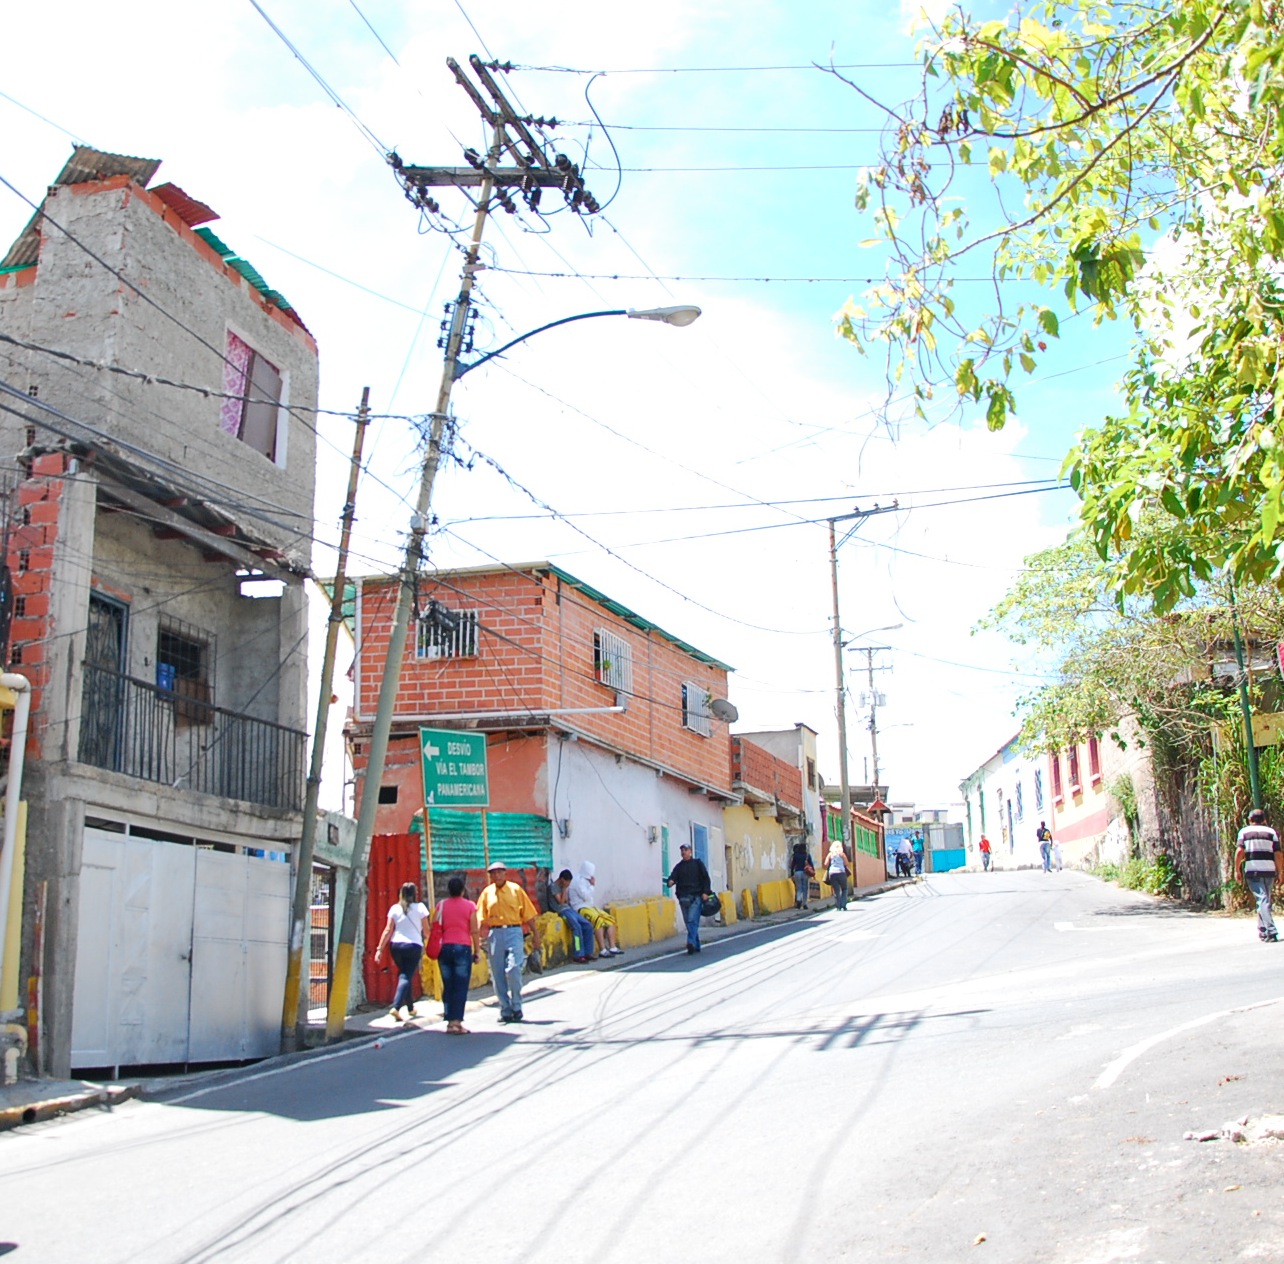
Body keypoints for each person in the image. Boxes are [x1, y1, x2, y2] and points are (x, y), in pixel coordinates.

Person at [475, 862, 542, 1023]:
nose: (496, 876)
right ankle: (505, 1009)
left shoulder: (515, 890)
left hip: (514, 931)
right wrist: (476, 939)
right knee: (497, 973)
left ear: (505, 873)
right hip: (495, 933)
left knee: (513, 968)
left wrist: (536, 935)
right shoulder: (487, 893)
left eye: (499, 872)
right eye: (493, 873)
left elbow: (528, 914)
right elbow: (479, 917)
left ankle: (517, 1005)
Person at [431, 876, 481, 1034]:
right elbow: (474, 930)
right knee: (460, 986)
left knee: (449, 985)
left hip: (444, 949)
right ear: (463, 890)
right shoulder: (470, 906)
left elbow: (435, 925)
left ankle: (449, 1020)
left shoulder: (441, 905)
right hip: (462, 948)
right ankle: (456, 1022)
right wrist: (477, 951)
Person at [374, 881, 428, 1021]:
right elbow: (427, 931)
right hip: (413, 946)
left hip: (396, 946)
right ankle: (396, 1006)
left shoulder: (394, 909)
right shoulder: (420, 908)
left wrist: (379, 949)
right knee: (406, 975)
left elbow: (388, 930)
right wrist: (429, 944)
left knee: (405, 973)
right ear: (415, 894)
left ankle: (410, 1008)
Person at [1235, 807, 1283, 943]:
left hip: (1253, 870)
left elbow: (1240, 852)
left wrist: (1237, 869)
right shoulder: (1271, 832)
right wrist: (1280, 872)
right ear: (1264, 820)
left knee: (1262, 899)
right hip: (1269, 870)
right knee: (1265, 899)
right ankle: (1263, 931)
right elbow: (1278, 854)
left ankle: (1271, 931)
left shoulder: (1244, 832)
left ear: (1250, 820)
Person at [665, 841, 713, 954]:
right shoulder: (679, 867)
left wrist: (706, 892)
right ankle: (696, 945)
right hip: (683, 899)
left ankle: (690, 942)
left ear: (690, 852)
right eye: (682, 850)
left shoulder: (697, 864)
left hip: (696, 897)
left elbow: (706, 878)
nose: (683, 852)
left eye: (685, 850)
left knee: (692, 920)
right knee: (689, 922)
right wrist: (670, 882)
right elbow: (672, 878)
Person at [567, 862, 623, 956]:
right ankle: (602, 949)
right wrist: (592, 886)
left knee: (610, 919)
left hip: (590, 906)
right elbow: (586, 896)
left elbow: (589, 897)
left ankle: (612, 947)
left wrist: (591, 886)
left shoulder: (586, 881)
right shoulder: (578, 881)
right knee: (598, 921)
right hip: (580, 907)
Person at [548, 868, 596, 962]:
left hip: (569, 909)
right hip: (561, 911)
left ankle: (588, 952)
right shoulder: (553, 887)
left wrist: (565, 890)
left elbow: (566, 901)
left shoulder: (562, 887)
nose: (568, 884)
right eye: (567, 882)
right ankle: (578, 954)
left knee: (588, 926)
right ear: (562, 880)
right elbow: (561, 902)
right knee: (577, 927)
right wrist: (565, 889)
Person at [824, 841, 850, 911]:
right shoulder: (842, 854)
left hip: (832, 873)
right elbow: (846, 863)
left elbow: (825, 864)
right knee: (844, 889)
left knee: (836, 890)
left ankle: (838, 906)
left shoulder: (830, 854)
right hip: (841, 873)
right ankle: (843, 904)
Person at [788, 840, 815, 909]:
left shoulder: (796, 856)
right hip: (805, 873)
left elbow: (793, 865)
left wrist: (792, 874)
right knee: (805, 888)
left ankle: (799, 900)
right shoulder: (807, 855)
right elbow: (811, 865)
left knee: (799, 888)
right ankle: (805, 903)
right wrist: (813, 872)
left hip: (797, 872)